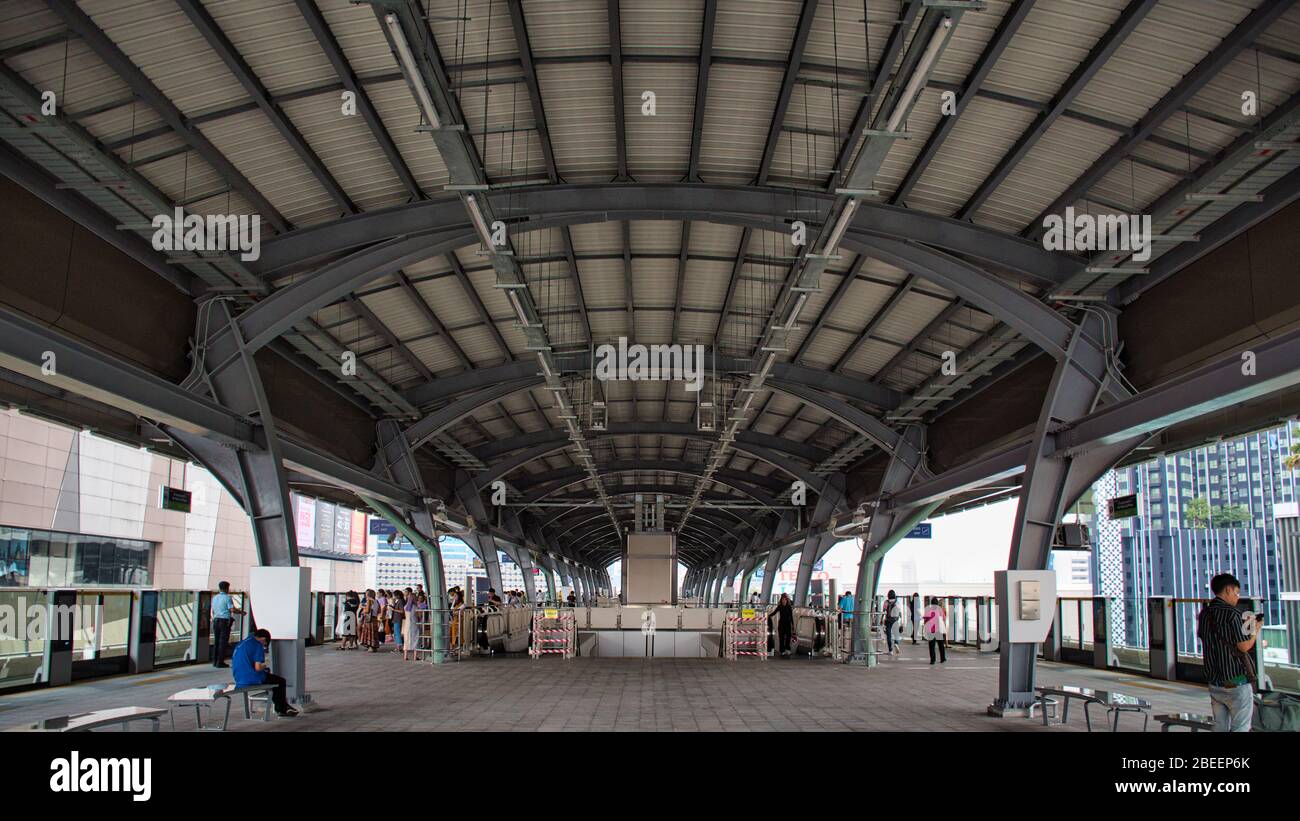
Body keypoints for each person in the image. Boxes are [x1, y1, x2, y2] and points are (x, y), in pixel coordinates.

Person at [1197, 573, 1259, 732]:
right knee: (1241, 727)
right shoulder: (1233, 613)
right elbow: (1244, 647)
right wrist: (1255, 630)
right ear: (1228, 590)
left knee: (1220, 727)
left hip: (1214, 681)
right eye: (1237, 593)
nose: (1237, 597)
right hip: (1235, 680)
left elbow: (1205, 638)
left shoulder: (1205, 613)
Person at [231, 628, 297, 717]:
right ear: (263, 639)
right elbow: (258, 668)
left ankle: (283, 706)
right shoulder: (257, 645)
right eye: (265, 644)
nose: (264, 646)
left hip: (238, 678)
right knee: (280, 681)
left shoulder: (242, 643)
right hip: (251, 678)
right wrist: (265, 664)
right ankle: (281, 709)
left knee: (271, 679)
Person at [210, 581, 243, 668]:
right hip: (224, 622)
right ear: (227, 588)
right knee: (223, 642)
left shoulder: (215, 598)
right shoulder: (227, 598)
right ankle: (220, 662)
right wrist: (242, 612)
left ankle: (215, 661)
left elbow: (213, 610)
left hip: (216, 620)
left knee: (217, 641)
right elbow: (232, 610)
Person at [923, 599, 947, 665]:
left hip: (930, 630)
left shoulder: (928, 609)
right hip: (938, 630)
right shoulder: (939, 609)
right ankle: (943, 658)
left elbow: (925, 619)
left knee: (931, 646)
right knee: (941, 645)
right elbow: (944, 618)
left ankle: (932, 660)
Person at [771, 593, 795, 657]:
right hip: (781, 624)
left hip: (788, 624)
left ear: (787, 600)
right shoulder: (780, 606)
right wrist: (768, 616)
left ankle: (788, 649)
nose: (783, 601)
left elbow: (791, 616)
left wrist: (793, 625)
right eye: (782, 600)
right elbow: (774, 612)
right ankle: (782, 651)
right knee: (781, 638)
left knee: (788, 637)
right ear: (781, 600)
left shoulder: (789, 607)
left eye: (785, 600)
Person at [883, 590, 902, 656]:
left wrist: (881, 620)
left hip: (888, 620)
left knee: (889, 635)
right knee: (896, 633)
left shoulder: (886, 602)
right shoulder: (897, 602)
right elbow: (899, 612)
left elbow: (884, 612)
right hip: (895, 620)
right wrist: (901, 621)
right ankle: (896, 643)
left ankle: (890, 650)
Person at [390, 590, 406, 655]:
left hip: (398, 619)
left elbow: (402, 611)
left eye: (395, 595)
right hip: (396, 619)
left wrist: (394, 609)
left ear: (398, 595)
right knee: (396, 633)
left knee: (397, 633)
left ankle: (399, 647)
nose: (394, 597)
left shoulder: (401, 601)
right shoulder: (399, 601)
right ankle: (398, 647)